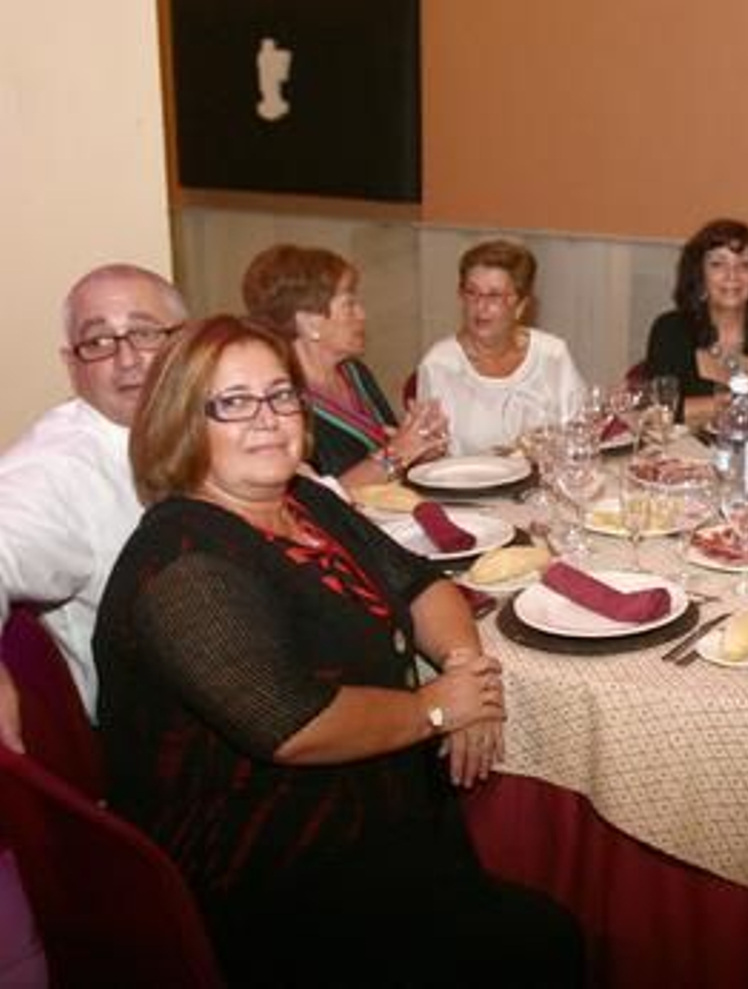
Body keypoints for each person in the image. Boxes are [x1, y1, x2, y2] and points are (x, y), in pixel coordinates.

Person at [94, 316, 583, 986]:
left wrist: (465, 668)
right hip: (268, 875)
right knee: (542, 946)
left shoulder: (302, 503)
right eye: (233, 402)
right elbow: (290, 722)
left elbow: (420, 583)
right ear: (180, 422)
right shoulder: (183, 563)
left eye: (280, 395)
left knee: (539, 932)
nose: (267, 418)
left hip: (373, 820)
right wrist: (438, 709)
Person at [0, 263, 188, 714]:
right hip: (160, 728)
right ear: (72, 366)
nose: (127, 360)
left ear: (187, 343)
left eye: (145, 333)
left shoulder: (210, 420)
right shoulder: (58, 469)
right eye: (98, 341)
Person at [241, 243, 449, 487]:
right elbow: (316, 498)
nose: (362, 314)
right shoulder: (282, 402)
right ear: (310, 323)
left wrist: (421, 447)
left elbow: (391, 454)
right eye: (349, 305)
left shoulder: (354, 372)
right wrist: (399, 452)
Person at [417, 239, 588, 455]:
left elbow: (581, 435)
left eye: (494, 295)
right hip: (469, 477)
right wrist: (428, 452)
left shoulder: (552, 355)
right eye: (472, 292)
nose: (480, 306)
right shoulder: (440, 365)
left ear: (520, 305)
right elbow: (427, 458)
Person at [644, 218, 748, 426]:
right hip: (686, 448)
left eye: (744, 265)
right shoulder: (670, 329)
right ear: (699, 273)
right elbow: (660, 410)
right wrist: (745, 401)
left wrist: (705, 407)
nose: (732, 275)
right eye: (718, 264)